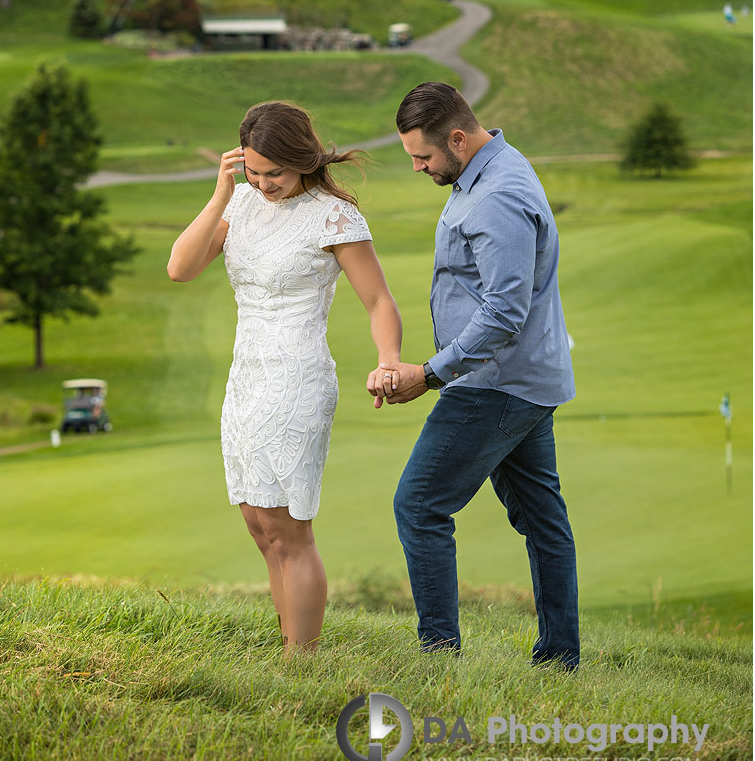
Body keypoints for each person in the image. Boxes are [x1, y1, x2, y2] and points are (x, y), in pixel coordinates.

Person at [168, 101, 401, 654]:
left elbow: (379, 300)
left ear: (303, 159)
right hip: (246, 374)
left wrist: (389, 359)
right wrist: (223, 194)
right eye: (253, 170)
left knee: (288, 529)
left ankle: (303, 662)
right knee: (258, 523)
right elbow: (180, 267)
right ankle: (289, 646)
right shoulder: (241, 202)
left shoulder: (334, 216)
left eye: (275, 172)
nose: (264, 182)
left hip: (296, 377)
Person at [367, 82, 579, 669]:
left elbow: (503, 313)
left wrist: (429, 374)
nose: (418, 167)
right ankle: (560, 659)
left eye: (424, 157)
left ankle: (438, 656)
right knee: (543, 520)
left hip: (495, 385)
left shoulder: (497, 197)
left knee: (419, 506)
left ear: (458, 139)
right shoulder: (499, 163)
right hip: (527, 379)